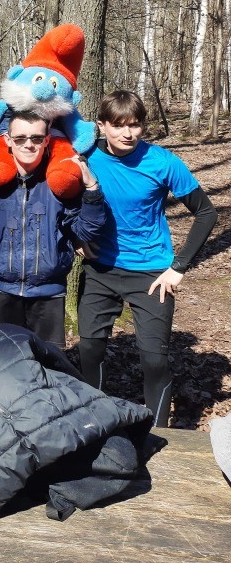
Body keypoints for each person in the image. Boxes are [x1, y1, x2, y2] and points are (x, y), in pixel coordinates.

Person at [78, 90, 217, 427]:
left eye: (135, 125)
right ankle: (91, 424)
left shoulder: (162, 162)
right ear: (102, 126)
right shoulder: (84, 157)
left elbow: (206, 213)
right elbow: (59, 201)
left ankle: (159, 434)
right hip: (100, 269)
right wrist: (74, 239)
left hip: (151, 273)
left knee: (154, 360)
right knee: (89, 351)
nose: (127, 133)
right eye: (118, 125)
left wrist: (178, 268)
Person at [0, 111, 107, 346]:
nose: (28, 145)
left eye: (36, 138)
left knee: (46, 361)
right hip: (1, 290)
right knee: (0, 358)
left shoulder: (58, 182)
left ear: (47, 140)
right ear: (8, 140)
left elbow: (85, 232)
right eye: (20, 138)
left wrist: (92, 190)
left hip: (49, 293)